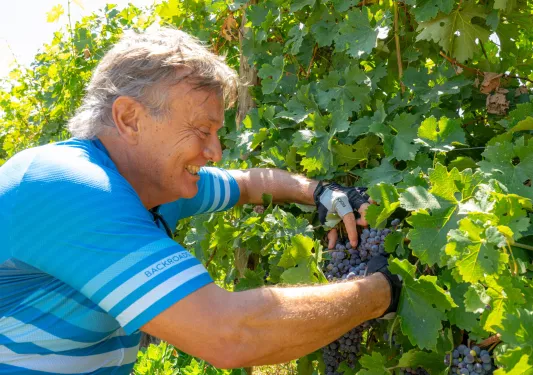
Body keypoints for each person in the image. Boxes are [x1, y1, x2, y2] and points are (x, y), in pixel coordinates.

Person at [0, 28, 401, 374]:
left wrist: (321, 192)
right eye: (201, 130)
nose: (216, 152)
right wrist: (383, 290)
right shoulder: (66, 187)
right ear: (129, 119)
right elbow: (229, 335)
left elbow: (246, 183)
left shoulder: (155, 187)